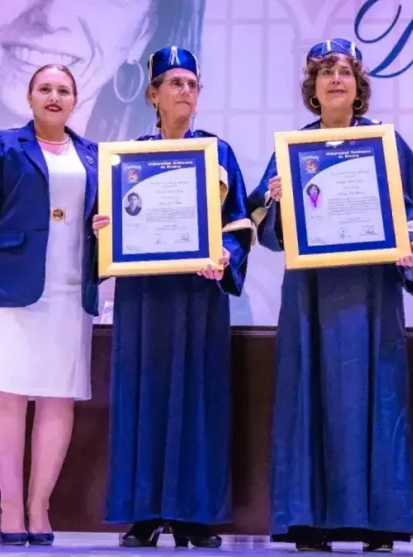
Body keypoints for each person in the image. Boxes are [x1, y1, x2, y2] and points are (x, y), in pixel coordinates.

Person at [247, 38, 413, 553]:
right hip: (310, 294)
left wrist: (411, 251)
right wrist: (278, 202)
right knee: (308, 397)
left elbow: (410, 220)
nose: (336, 79)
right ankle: (310, 521)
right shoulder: (292, 149)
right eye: (325, 72)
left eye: (345, 72)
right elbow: (269, 234)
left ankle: (376, 522)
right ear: (311, 87)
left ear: (359, 87)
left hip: (371, 294)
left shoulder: (386, 144)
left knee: (375, 398)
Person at [0, 0, 206, 318]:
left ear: (143, 30)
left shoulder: (108, 164)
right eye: (45, 89)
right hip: (7, 305)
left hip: (73, 307)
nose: (51, 17)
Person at [93, 46, 253, 549]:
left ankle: (193, 515)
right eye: (175, 83)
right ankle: (142, 514)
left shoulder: (218, 153)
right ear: (153, 94)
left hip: (199, 293)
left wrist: (225, 254)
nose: (185, 91)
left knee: (199, 398)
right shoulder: (128, 156)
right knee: (143, 397)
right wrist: (104, 231)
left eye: (192, 84)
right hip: (144, 297)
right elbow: (106, 226)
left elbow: (240, 226)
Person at [0, 63, 98, 547]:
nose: (54, 96)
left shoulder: (94, 155)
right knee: (7, 395)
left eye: (63, 90)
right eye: (45, 89)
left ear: (74, 101)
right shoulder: (5, 144)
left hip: (70, 289)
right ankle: (10, 505)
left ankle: (40, 506)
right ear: (30, 97)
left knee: (59, 398)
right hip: (8, 289)